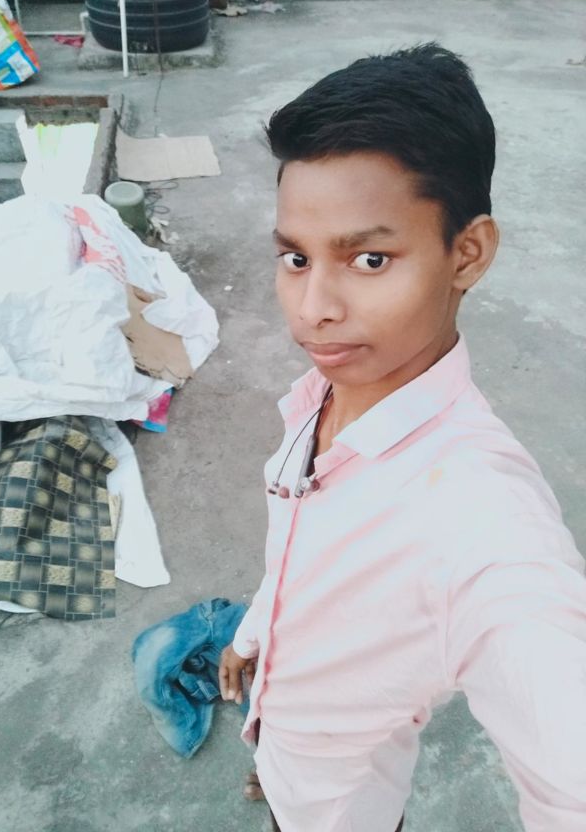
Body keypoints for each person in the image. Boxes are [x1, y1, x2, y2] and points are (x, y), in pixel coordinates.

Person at [218, 43, 586, 832]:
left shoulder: (481, 520)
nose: (312, 308)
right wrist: (253, 633)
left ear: (467, 254)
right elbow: (300, 552)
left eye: (369, 258)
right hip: (284, 750)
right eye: (295, 257)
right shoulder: (323, 394)